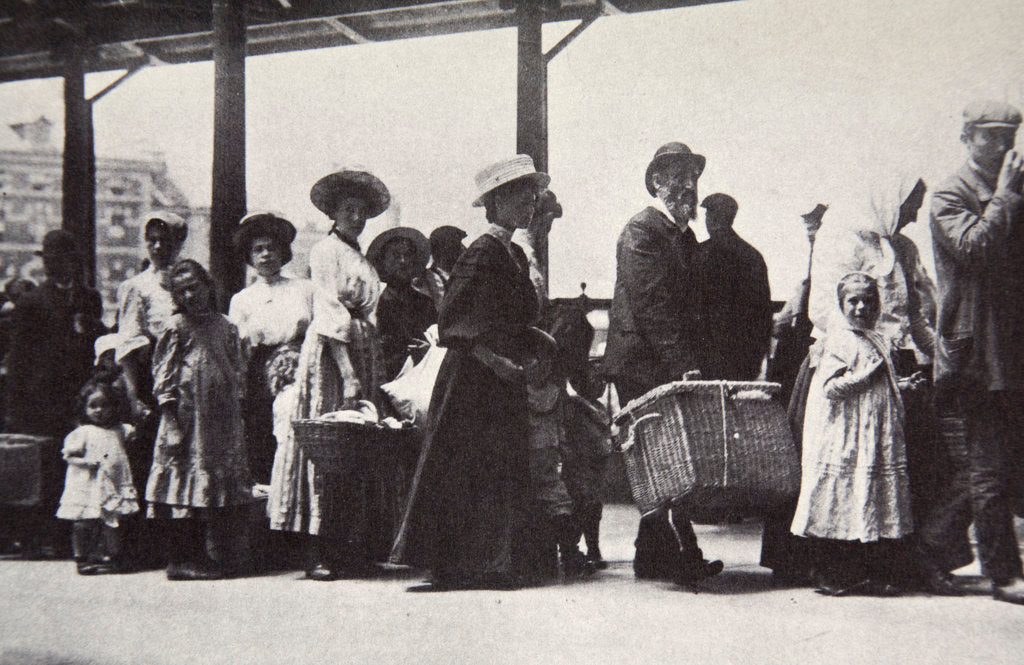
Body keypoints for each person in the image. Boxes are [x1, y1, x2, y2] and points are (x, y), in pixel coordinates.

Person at [397, 155, 546, 591]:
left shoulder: (514, 253)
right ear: (495, 204)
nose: (530, 203)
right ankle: (456, 564)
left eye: (532, 195)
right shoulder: (481, 252)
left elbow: (521, 317)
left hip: (504, 379)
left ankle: (495, 562)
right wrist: (496, 362)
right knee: (465, 466)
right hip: (473, 380)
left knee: (499, 467)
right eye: (521, 195)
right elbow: (453, 321)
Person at [603, 142, 722, 586]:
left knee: (665, 456)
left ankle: (656, 554)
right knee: (662, 456)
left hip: (660, 359)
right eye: (674, 175)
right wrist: (683, 364)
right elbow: (652, 304)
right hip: (643, 363)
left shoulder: (681, 235)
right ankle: (679, 554)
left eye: (691, 175)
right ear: (655, 183)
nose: (686, 184)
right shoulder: (641, 231)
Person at [266, 169, 388, 581]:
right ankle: (317, 549)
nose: (355, 217)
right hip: (334, 357)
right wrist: (348, 373)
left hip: (363, 347)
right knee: (327, 444)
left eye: (362, 211)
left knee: (357, 446)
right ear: (334, 213)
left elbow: (366, 312)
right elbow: (329, 312)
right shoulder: (325, 252)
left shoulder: (361, 258)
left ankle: (351, 545)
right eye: (347, 210)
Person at [927, 100, 1024, 605]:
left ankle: (937, 541)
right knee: (990, 466)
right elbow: (975, 248)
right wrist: (1007, 195)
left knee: (1005, 463)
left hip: (1013, 347)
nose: (1004, 143)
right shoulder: (950, 193)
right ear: (966, 137)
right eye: (991, 135)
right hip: (979, 355)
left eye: (1010, 133)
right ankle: (1003, 575)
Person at [790, 272, 917, 596]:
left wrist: (902, 385)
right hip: (845, 433)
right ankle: (828, 572)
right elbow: (830, 388)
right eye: (854, 301)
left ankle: (861, 570)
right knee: (841, 494)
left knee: (866, 496)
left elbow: (882, 383)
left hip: (873, 434)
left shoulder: (878, 338)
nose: (862, 307)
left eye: (869, 301)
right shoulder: (838, 340)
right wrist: (864, 376)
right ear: (841, 304)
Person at [146, 260, 254, 581]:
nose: (191, 294)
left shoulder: (227, 326)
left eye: (195, 286)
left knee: (212, 485)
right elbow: (163, 377)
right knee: (183, 485)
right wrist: (171, 422)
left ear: (208, 285)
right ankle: (181, 559)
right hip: (186, 418)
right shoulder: (175, 327)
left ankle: (211, 554)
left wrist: (237, 411)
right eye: (183, 291)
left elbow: (236, 370)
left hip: (220, 420)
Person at [3, 230, 105, 557]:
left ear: (74, 262)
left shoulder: (90, 298)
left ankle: (68, 537)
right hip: (41, 400)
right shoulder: (32, 301)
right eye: (49, 260)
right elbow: (18, 360)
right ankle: (40, 538)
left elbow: (95, 341)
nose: (54, 266)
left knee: (76, 464)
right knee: (44, 467)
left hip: (78, 396)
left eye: (61, 259)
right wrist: (15, 410)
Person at [228, 212, 313, 484]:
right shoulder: (242, 299)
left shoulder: (304, 289)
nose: (265, 255)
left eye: (271, 248)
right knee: (264, 438)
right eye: (258, 249)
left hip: (301, 366)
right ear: (249, 256)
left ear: (283, 252)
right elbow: (238, 347)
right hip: (259, 374)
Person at [56, 379, 139, 575]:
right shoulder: (83, 432)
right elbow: (69, 456)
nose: (99, 410)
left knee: (112, 520)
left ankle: (113, 556)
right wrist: (86, 462)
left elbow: (131, 437)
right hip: (88, 484)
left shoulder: (119, 430)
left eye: (105, 405)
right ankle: (82, 557)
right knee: (84, 522)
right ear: (84, 408)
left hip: (112, 484)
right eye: (93, 406)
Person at [695, 193, 772, 381]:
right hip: (744, 359)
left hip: (707, 357)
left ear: (711, 218)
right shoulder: (753, 256)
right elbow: (763, 314)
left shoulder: (700, 254)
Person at [366, 227, 437, 382]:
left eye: (408, 255)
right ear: (383, 263)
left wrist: (428, 351)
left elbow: (437, 339)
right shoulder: (376, 306)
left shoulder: (426, 303)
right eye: (396, 256)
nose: (403, 261)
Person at [419, 225, 467, 311]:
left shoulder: (456, 275)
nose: (464, 250)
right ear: (446, 250)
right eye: (458, 246)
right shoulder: (431, 279)